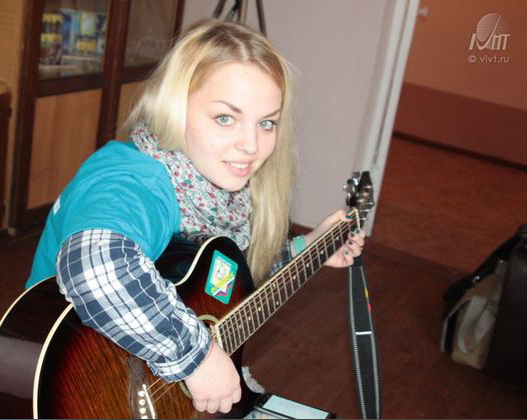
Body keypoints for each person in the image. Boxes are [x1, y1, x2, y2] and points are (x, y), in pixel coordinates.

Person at [26, 18, 365, 415]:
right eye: (225, 118)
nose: (251, 145)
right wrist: (196, 357)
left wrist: (308, 248)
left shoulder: (219, 191)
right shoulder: (132, 180)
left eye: (266, 123)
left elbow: (222, 284)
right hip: (85, 386)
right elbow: (95, 267)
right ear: (174, 106)